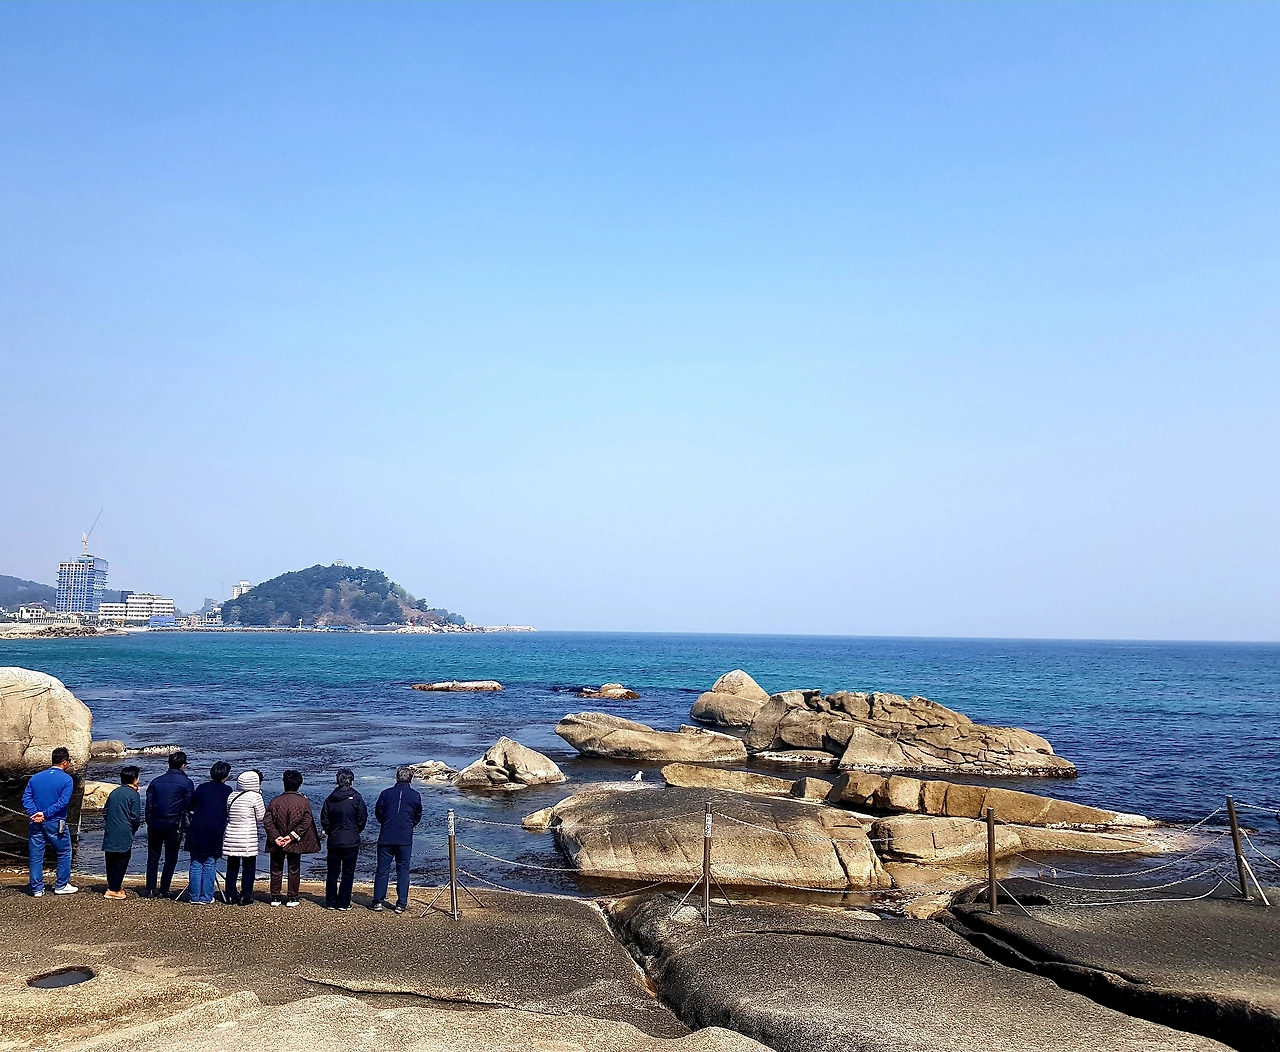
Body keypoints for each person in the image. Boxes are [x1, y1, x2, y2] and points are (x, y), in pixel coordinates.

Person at [22, 747, 77, 897]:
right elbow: (62, 802)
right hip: (55, 821)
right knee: (64, 851)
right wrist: (45, 814)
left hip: (36, 821)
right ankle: (61, 885)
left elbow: (26, 798)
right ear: (64, 762)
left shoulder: (35, 778)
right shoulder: (66, 779)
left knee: (36, 855)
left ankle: (37, 889)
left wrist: (34, 813)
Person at [263, 769, 321, 907]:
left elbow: (267, 821)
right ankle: (292, 897)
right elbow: (306, 821)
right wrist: (292, 836)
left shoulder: (275, 801)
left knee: (276, 869)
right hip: (294, 841)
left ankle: (275, 897)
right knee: (294, 869)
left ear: (284, 783)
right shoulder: (303, 802)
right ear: (299, 784)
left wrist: (276, 837)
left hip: (277, 841)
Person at [144, 751, 194, 899]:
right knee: (171, 857)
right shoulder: (187, 782)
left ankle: (150, 888)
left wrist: (149, 820)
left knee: (153, 857)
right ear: (183, 765)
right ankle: (164, 888)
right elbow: (189, 805)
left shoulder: (156, 781)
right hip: (174, 824)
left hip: (155, 822)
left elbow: (149, 805)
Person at [371, 767, 421, 914]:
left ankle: (378, 901)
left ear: (397, 778)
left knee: (382, 870)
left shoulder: (385, 793)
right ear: (411, 780)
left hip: (386, 836)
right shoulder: (415, 795)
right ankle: (401, 904)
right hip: (404, 837)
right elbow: (417, 815)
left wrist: (386, 822)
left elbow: (378, 813)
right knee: (403, 871)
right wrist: (409, 825)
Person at [185, 761, 233, 905]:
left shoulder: (202, 787)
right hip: (215, 829)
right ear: (225, 776)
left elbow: (190, 806)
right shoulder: (227, 790)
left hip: (197, 827)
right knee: (210, 862)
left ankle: (194, 896)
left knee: (196, 862)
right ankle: (206, 896)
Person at [320, 768, 367, 910]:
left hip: (334, 840)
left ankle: (331, 902)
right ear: (351, 781)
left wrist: (330, 831)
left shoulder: (330, 798)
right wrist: (356, 830)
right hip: (351, 840)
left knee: (332, 872)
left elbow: (324, 819)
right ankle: (343, 902)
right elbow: (362, 818)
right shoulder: (356, 797)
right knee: (348, 873)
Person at [222, 770, 266, 905]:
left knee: (232, 865)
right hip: (247, 836)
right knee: (248, 866)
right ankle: (245, 895)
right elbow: (261, 817)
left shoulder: (232, 795)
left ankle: (230, 894)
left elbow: (228, 812)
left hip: (231, 834)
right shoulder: (255, 797)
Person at [101, 766, 142, 899]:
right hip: (124, 830)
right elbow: (135, 817)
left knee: (111, 859)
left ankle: (113, 885)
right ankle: (114, 889)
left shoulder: (114, 792)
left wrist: (111, 821)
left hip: (111, 829)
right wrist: (133, 828)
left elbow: (105, 812)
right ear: (134, 779)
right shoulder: (133, 794)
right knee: (122, 860)